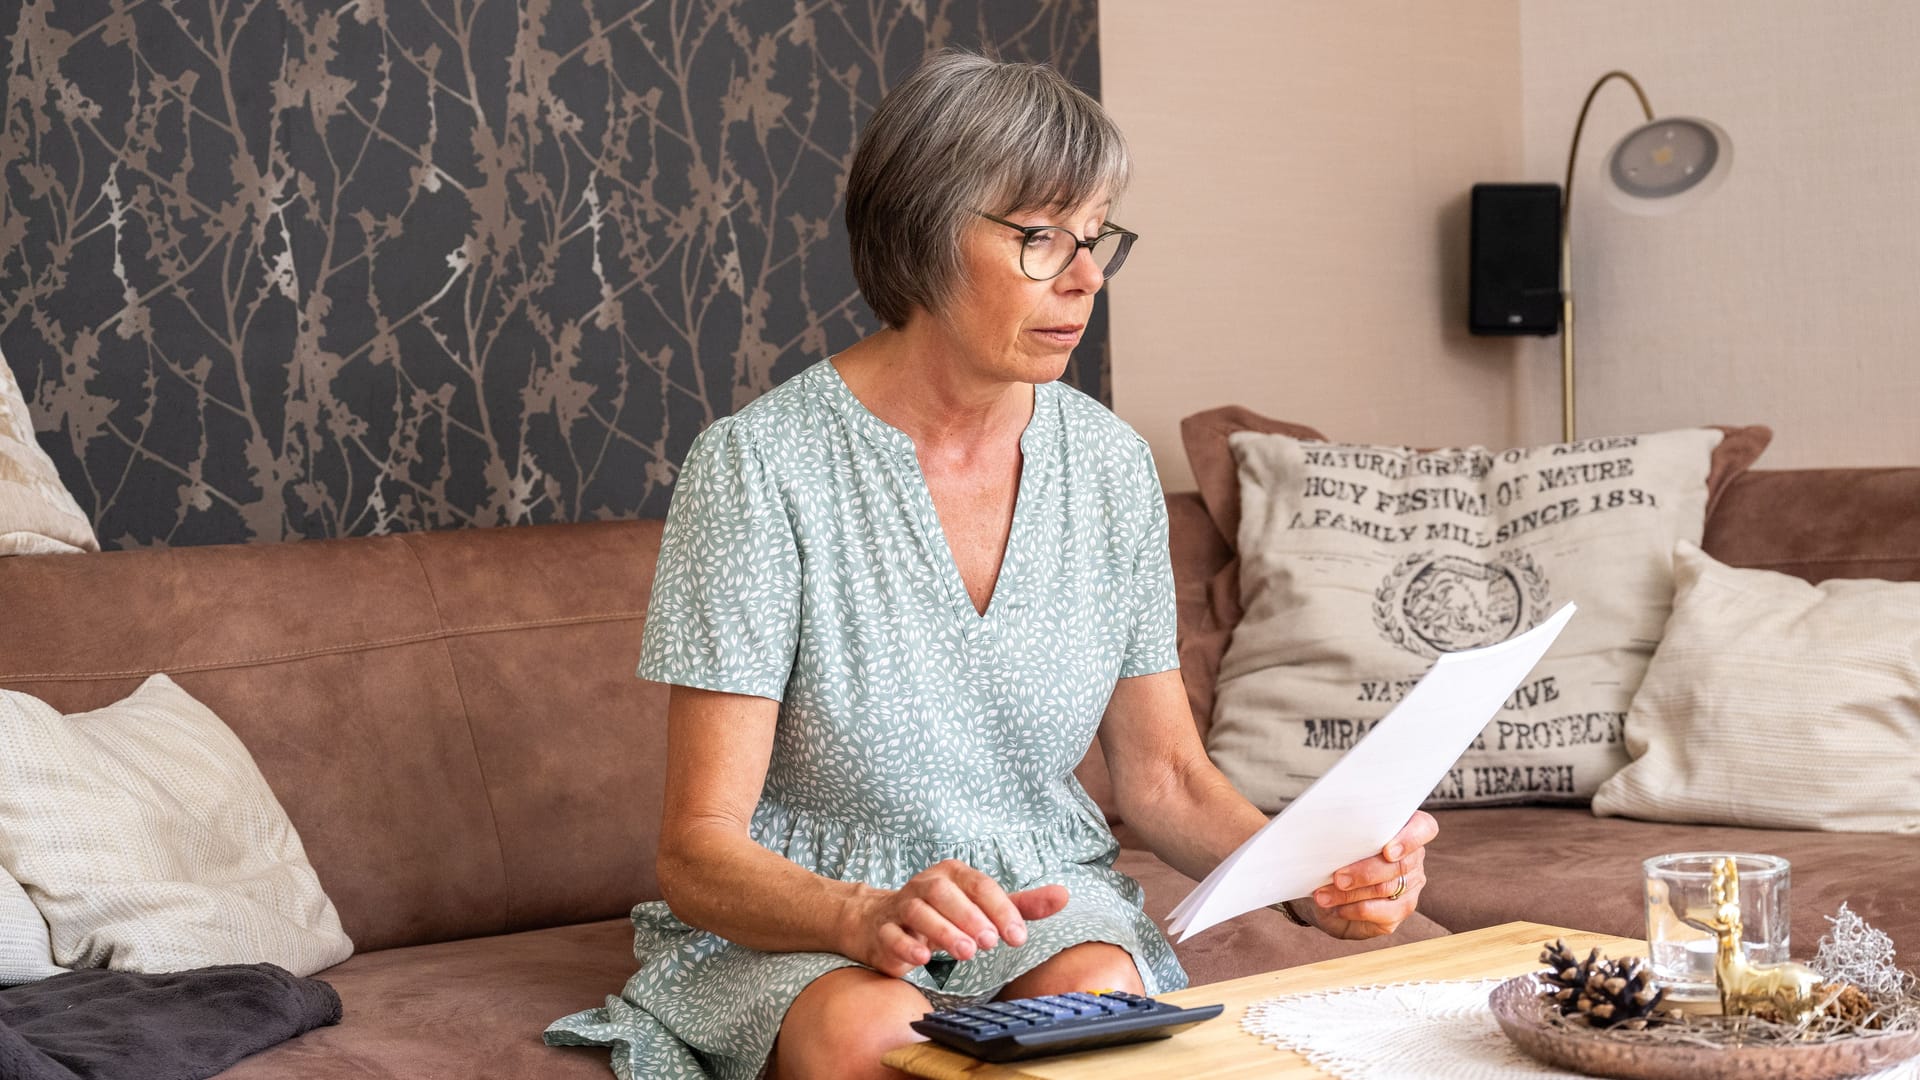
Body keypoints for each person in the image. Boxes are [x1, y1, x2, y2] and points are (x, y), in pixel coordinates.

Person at [544, 49, 1438, 1080]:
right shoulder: (760, 467)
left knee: (1098, 1008)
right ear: (923, 233)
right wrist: (862, 914)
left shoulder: (1105, 465)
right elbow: (697, 851)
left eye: (1097, 238)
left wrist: (1310, 874)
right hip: (802, 917)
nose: (1086, 277)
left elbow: (1167, 779)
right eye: (1041, 237)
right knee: (871, 1035)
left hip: (1039, 899)